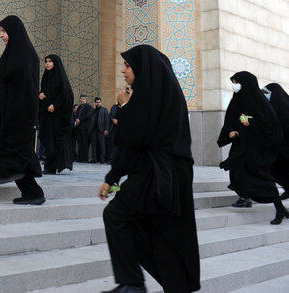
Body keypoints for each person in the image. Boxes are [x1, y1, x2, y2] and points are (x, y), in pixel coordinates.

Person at [99, 45, 200, 293]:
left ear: (143, 68)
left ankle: (132, 283)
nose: (123, 70)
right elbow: (132, 145)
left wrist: (124, 108)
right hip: (162, 174)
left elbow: (133, 137)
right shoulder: (162, 92)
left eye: (128, 65)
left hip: (159, 174)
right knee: (161, 237)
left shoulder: (150, 95)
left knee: (117, 215)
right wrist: (112, 177)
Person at [0, 15, 44, 205]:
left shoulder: (24, 55)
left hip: (17, 113)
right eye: (0, 31)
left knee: (8, 147)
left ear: (14, 32)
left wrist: (0, 80)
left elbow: (17, 75)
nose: (1, 35)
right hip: (10, 110)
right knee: (13, 151)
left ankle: (30, 189)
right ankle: (31, 191)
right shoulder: (17, 52)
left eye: (4, 31)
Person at [217, 72, 288, 224]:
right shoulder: (237, 100)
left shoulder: (260, 102)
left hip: (257, 147)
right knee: (238, 172)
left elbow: (272, 125)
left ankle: (279, 209)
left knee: (261, 177)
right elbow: (231, 119)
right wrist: (231, 131)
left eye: (237, 82)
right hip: (242, 145)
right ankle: (246, 197)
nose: (234, 85)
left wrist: (252, 122)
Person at [39, 54, 74, 174]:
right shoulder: (46, 77)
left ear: (55, 63)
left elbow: (67, 95)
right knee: (47, 139)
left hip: (57, 117)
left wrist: (56, 105)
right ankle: (49, 165)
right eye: (46, 61)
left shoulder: (60, 78)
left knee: (55, 141)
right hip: (48, 116)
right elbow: (44, 92)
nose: (47, 63)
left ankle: (54, 166)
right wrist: (40, 95)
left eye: (50, 61)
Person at [264, 83, 289, 199]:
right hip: (278, 148)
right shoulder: (272, 108)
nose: (264, 96)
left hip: (285, 147)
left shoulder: (283, 108)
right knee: (275, 169)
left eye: (266, 93)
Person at [90, 97, 109, 163]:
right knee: (94, 145)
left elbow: (107, 120)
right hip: (93, 130)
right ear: (95, 103)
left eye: (99, 102)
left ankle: (102, 159)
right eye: (97, 102)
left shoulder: (104, 110)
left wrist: (106, 129)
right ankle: (94, 159)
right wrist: (93, 109)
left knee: (102, 145)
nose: (98, 103)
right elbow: (89, 117)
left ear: (101, 102)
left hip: (101, 130)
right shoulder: (92, 110)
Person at [75, 94, 93, 162]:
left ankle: (85, 158)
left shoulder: (89, 107)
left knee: (85, 143)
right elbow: (76, 115)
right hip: (79, 128)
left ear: (86, 99)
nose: (82, 100)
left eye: (83, 99)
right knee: (80, 143)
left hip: (85, 128)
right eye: (81, 99)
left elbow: (88, 116)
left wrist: (80, 119)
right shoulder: (79, 107)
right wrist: (77, 119)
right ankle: (80, 158)